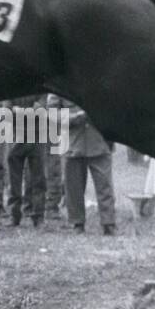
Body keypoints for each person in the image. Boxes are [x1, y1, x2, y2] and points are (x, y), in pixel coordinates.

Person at [57, 95, 117, 235]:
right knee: (73, 187)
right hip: (72, 143)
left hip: (99, 141)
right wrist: (76, 117)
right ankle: (77, 222)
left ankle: (109, 223)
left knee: (105, 184)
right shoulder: (59, 85)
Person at [6, 94, 48, 227]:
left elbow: (40, 110)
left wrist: (18, 111)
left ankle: (38, 216)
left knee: (38, 179)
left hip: (36, 136)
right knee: (14, 180)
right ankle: (14, 215)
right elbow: (6, 111)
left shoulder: (40, 88)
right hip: (16, 137)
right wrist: (29, 111)